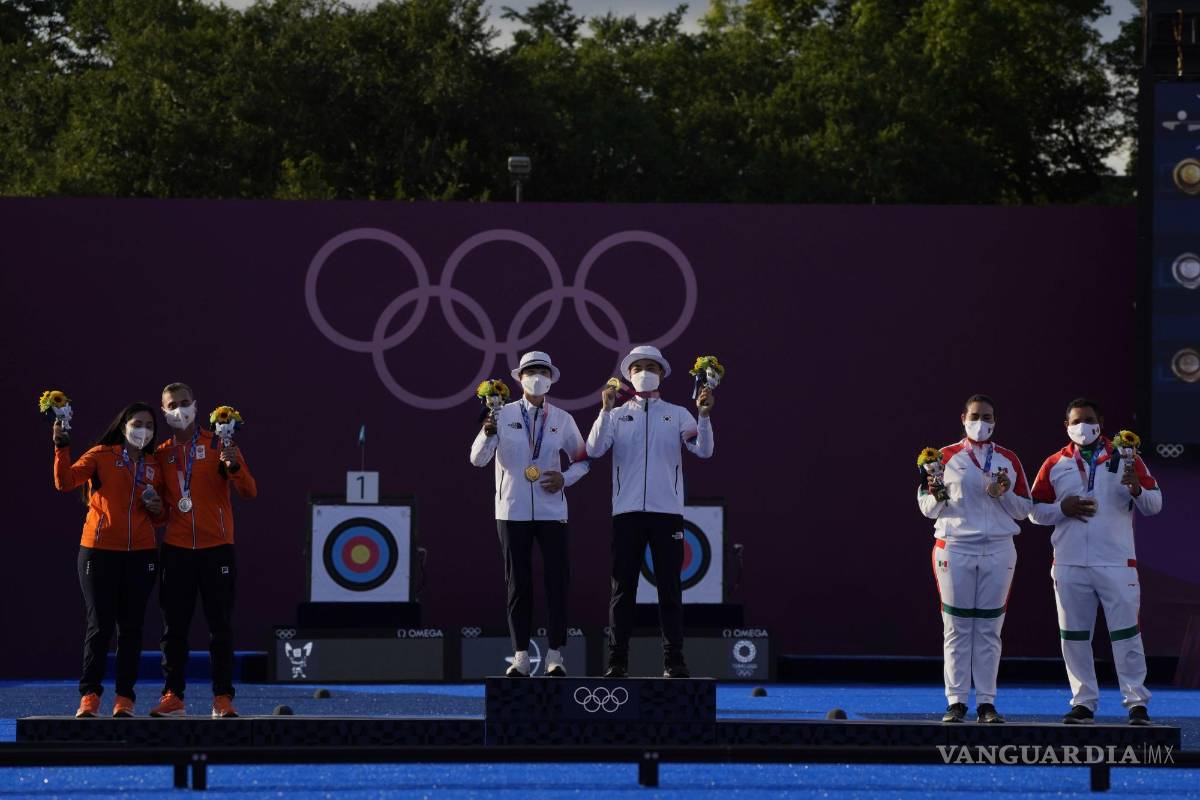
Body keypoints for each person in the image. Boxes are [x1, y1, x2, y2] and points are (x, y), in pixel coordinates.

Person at [1029, 398, 1163, 725]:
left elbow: (1155, 503)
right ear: (1066, 426)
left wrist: (1136, 490)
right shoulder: (1054, 463)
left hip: (1116, 562)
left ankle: (1136, 703)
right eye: (1076, 421)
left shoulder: (1126, 458)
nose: (1083, 426)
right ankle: (1083, 702)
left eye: (1088, 419)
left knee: (1126, 634)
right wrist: (1063, 508)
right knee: (1074, 636)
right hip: (1070, 563)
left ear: (1100, 421)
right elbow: (1033, 511)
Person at [586, 345, 714, 678]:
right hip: (626, 513)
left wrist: (703, 416)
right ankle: (617, 660)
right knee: (623, 589)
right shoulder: (616, 414)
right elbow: (594, 449)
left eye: (651, 366)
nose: (644, 371)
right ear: (628, 374)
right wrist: (604, 410)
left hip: (666, 513)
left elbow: (703, 450)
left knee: (669, 588)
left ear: (661, 373)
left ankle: (674, 659)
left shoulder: (678, 413)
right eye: (638, 366)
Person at [470, 351, 590, 677]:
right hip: (511, 510)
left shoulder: (562, 419)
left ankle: (555, 655)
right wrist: (487, 432)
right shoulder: (501, 415)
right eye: (530, 371)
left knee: (556, 582)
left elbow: (583, 459)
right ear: (519, 378)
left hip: (552, 511)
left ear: (550, 378)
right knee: (517, 585)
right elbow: (478, 460)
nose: (537, 376)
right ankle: (521, 655)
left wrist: (566, 477)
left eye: (542, 371)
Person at [917, 394, 1031, 724]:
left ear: (995, 421)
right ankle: (955, 702)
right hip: (954, 547)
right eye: (976, 415)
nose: (982, 422)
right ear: (963, 418)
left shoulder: (1008, 459)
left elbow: (1025, 511)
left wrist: (1005, 491)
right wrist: (937, 491)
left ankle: (986, 703)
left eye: (988, 416)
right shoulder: (942, 458)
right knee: (956, 626)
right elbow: (927, 509)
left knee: (989, 628)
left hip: (998, 549)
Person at [52, 403, 166, 718]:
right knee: (100, 625)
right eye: (137, 423)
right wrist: (61, 446)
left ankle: (124, 699)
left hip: (141, 554)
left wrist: (157, 508)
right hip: (99, 551)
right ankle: (89, 696)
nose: (143, 430)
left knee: (131, 628)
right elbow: (64, 482)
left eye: (149, 425)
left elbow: (161, 516)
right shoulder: (101, 455)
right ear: (124, 425)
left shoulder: (155, 465)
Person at [150, 383, 256, 718]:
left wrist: (234, 466)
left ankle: (222, 698)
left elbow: (250, 491)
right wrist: (154, 508)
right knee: (174, 629)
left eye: (184, 403)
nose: (179, 409)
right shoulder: (161, 454)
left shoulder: (220, 444)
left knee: (220, 627)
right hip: (176, 550)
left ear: (195, 406)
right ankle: (172, 697)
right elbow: (162, 515)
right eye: (172, 405)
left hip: (217, 549)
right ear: (164, 411)